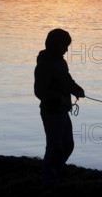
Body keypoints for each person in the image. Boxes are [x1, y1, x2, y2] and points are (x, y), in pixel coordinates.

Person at [34, 28, 85, 185]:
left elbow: (67, 80)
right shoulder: (44, 64)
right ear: (54, 44)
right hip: (51, 111)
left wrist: (76, 89)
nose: (66, 49)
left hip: (63, 111)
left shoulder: (61, 62)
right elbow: (39, 91)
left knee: (68, 145)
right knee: (54, 146)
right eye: (64, 45)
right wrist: (58, 97)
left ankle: (54, 171)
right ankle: (49, 178)